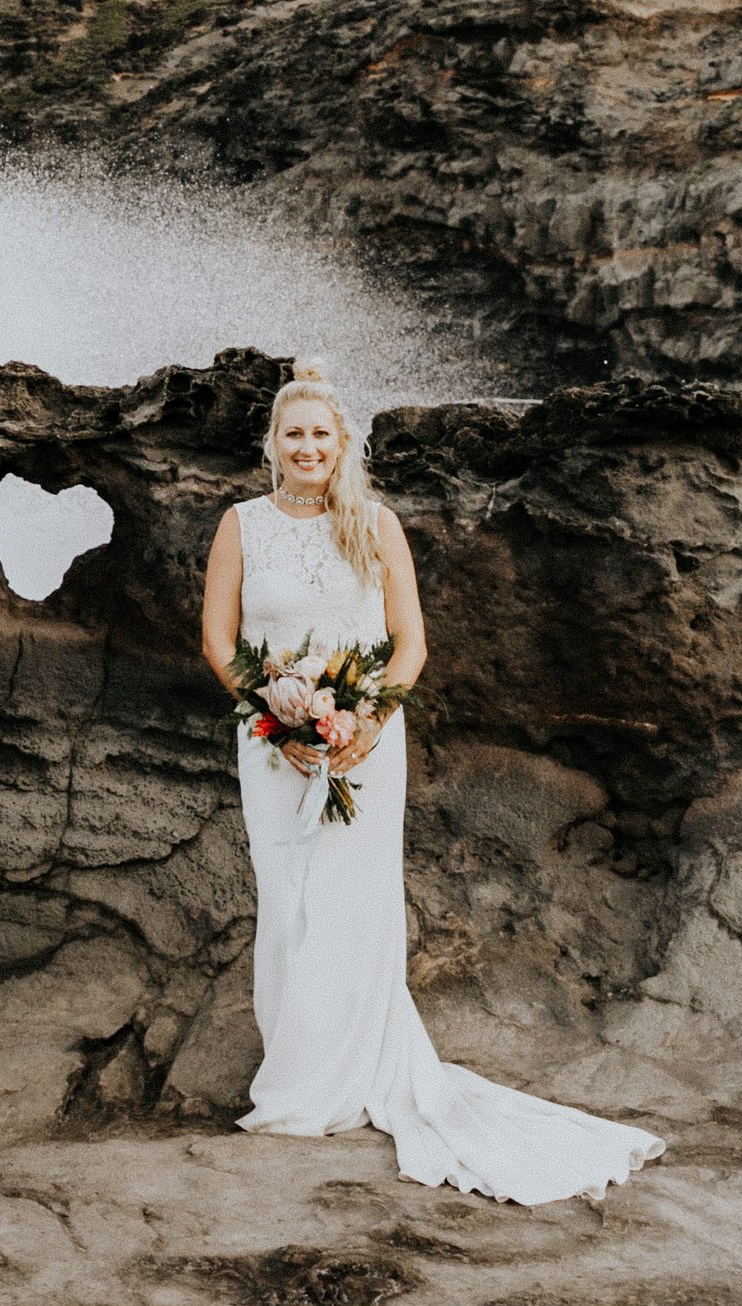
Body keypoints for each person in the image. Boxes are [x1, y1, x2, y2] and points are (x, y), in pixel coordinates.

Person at [199, 361, 663, 1202]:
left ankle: (339, 1080)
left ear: (344, 447)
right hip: (273, 749)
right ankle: (298, 1071)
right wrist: (270, 713)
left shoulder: (374, 525)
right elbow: (217, 639)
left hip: (362, 743)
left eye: (321, 435)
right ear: (272, 445)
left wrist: (364, 724)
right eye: (293, 434)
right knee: (288, 896)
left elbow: (409, 644)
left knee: (348, 900)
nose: (307, 447)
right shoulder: (240, 524)